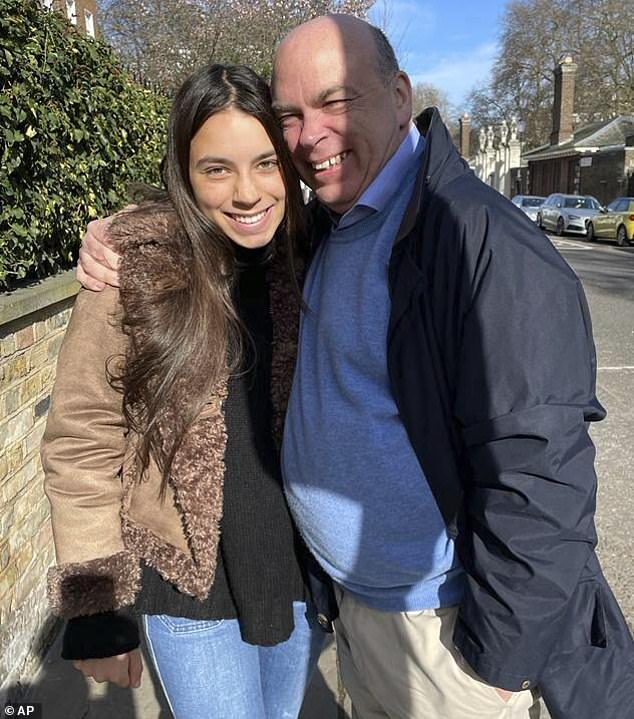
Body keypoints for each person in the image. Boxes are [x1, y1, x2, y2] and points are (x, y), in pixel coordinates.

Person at [77, 15, 634, 719]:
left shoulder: (471, 240)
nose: (311, 136)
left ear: (401, 96)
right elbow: (83, 436)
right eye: (292, 115)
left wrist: (500, 658)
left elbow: (540, 475)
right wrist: (119, 234)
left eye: (336, 102)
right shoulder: (327, 229)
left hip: (440, 635)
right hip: (320, 608)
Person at [41, 63, 328, 719]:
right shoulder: (133, 270)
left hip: (294, 575)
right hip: (187, 583)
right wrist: (94, 612)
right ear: (184, 172)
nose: (248, 191)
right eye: (217, 168)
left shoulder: (317, 256)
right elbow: (81, 442)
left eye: (265, 163)